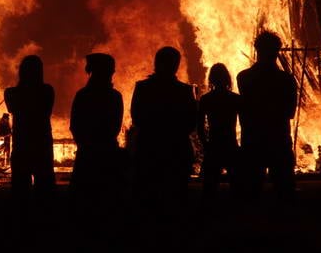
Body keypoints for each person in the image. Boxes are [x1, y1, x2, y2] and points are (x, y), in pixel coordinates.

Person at [130, 46, 197, 215]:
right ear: (176, 65)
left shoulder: (143, 88)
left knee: (148, 200)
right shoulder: (185, 91)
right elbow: (191, 122)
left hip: (148, 150)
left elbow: (137, 118)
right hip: (176, 152)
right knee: (176, 200)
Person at [236, 30, 297, 202]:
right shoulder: (287, 80)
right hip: (279, 139)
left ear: (256, 50)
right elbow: (290, 112)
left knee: (252, 192)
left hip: (253, 140)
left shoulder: (243, 77)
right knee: (284, 191)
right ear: (277, 51)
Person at [69, 53, 124, 213]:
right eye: (111, 70)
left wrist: (84, 144)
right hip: (107, 153)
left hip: (86, 154)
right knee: (107, 202)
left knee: (83, 201)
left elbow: (75, 126)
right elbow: (115, 127)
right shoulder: (114, 97)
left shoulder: (82, 95)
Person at [4, 55, 56, 208]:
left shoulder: (11, 93)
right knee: (45, 192)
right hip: (42, 145)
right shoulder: (47, 91)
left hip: (22, 146)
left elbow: (12, 108)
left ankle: (22, 226)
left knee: (20, 193)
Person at [197, 63, 241, 200]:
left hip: (214, 144)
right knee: (236, 184)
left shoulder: (206, 99)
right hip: (230, 143)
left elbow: (199, 125)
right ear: (228, 79)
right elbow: (245, 123)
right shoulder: (235, 99)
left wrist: (205, 143)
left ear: (211, 80)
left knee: (209, 186)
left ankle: (209, 214)